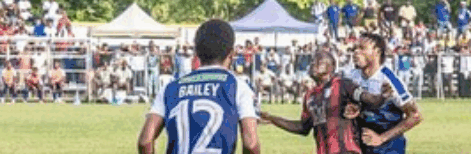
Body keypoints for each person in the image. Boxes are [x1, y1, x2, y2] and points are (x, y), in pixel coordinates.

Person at [136, 19, 261, 154]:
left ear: (196, 52)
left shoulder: (170, 88)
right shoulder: (237, 87)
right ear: (231, 54)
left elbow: (145, 141)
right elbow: (251, 144)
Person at [260, 49, 392, 154]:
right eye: (313, 61)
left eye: (319, 61)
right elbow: (303, 127)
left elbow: (369, 99)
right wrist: (272, 119)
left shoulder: (343, 85)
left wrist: (382, 96)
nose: (313, 64)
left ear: (331, 67)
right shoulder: (309, 95)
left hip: (346, 150)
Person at [347, 33, 423, 154]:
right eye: (355, 48)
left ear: (377, 52)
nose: (356, 52)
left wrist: (382, 138)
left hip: (389, 148)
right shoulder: (352, 76)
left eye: (362, 48)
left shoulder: (389, 80)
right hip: (363, 146)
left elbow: (415, 116)